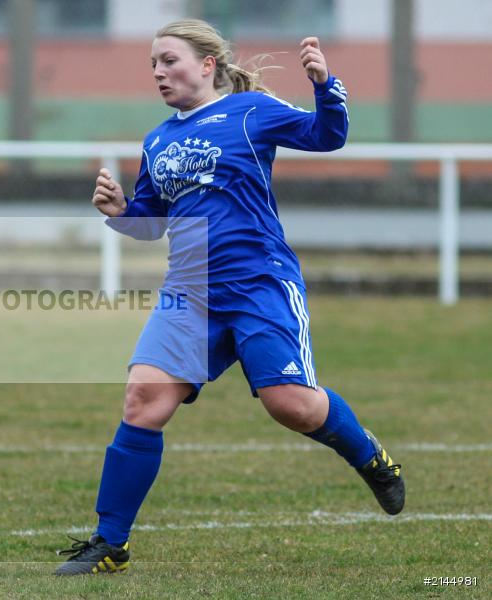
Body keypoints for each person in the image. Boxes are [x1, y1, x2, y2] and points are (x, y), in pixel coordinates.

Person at [55, 19, 404, 576]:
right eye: (152, 64)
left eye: (168, 60)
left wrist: (323, 83)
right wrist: (122, 210)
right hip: (189, 293)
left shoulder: (251, 111)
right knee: (143, 400)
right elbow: (151, 223)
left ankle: (370, 456)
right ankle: (110, 543)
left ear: (207, 64)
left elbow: (327, 136)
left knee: (291, 405)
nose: (158, 72)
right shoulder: (157, 140)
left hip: (259, 284)